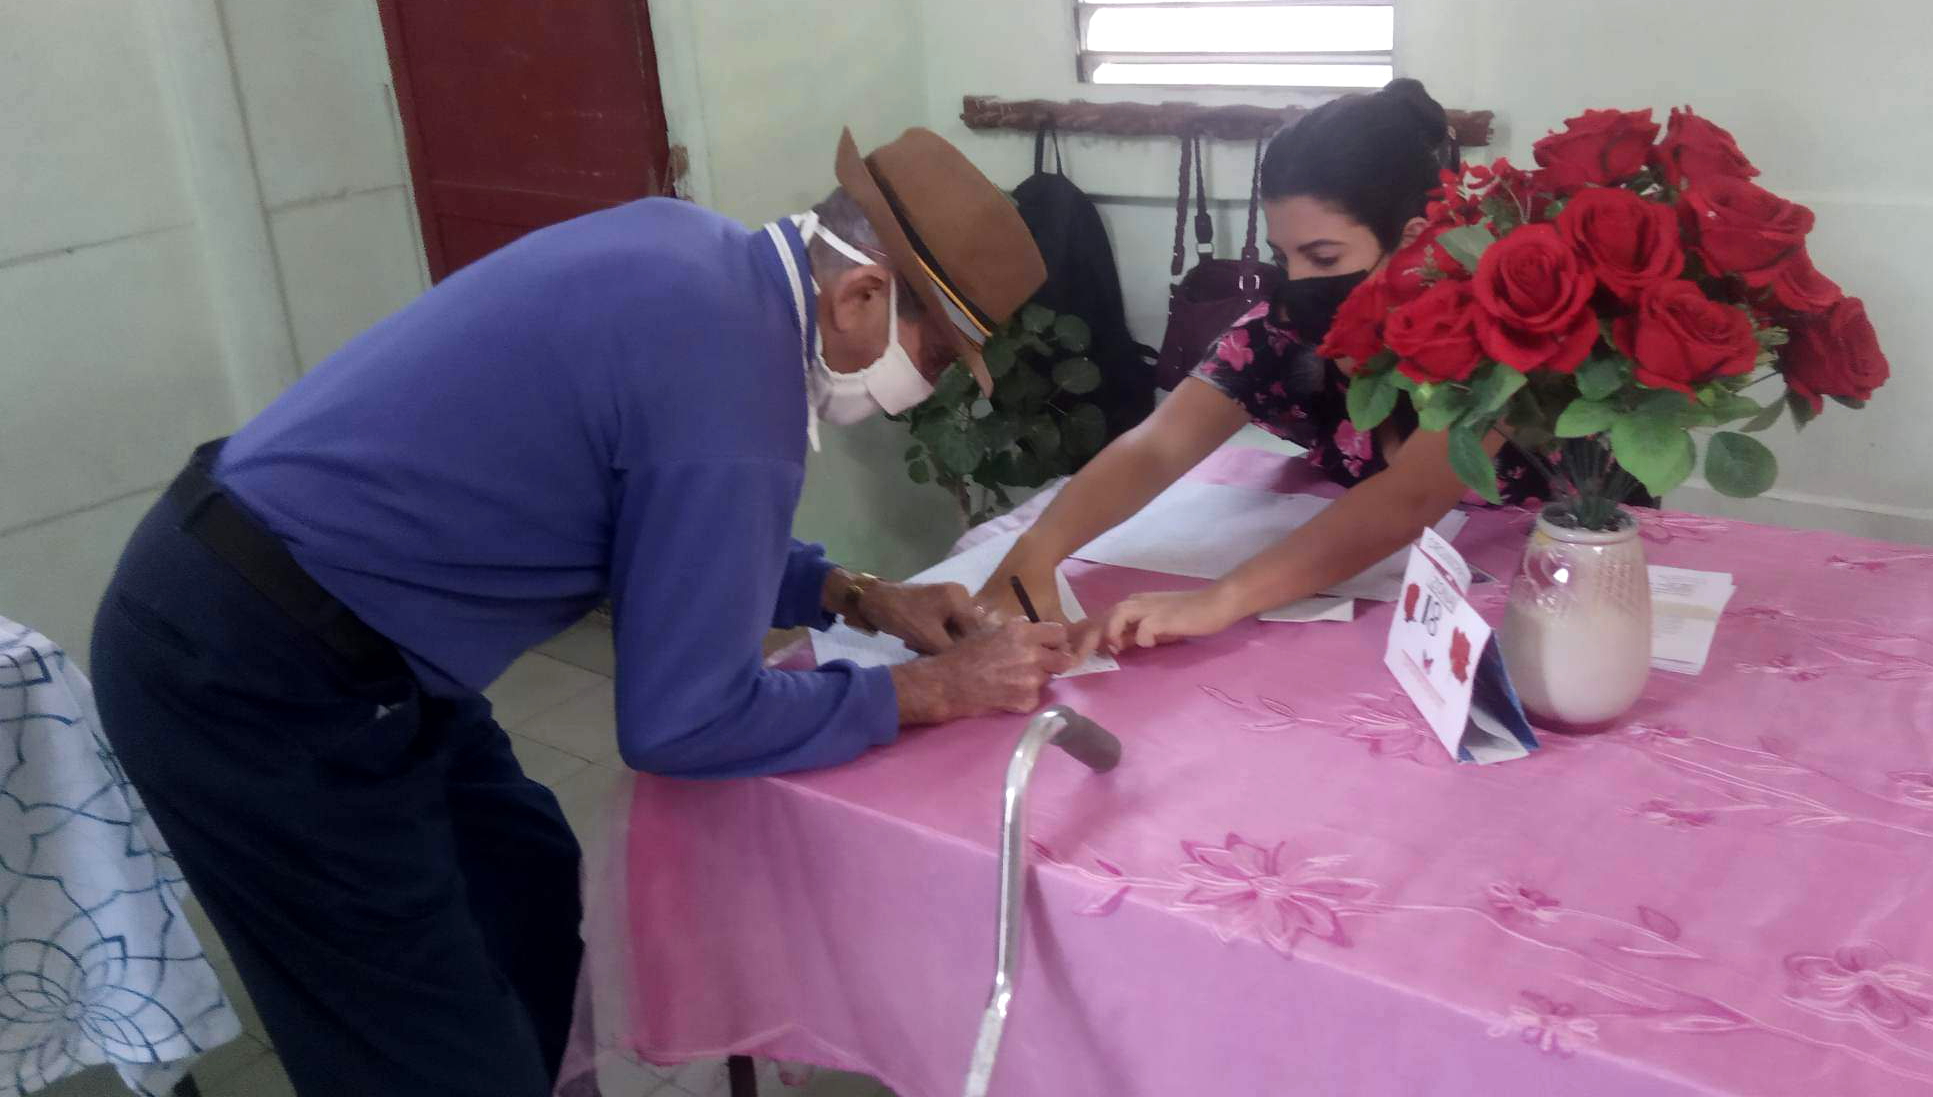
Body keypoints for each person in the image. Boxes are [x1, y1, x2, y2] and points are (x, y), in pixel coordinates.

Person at [89, 127, 1072, 1097]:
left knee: (529, 902)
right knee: (423, 1044)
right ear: (861, 293)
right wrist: (929, 690)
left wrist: (855, 592)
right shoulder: (737, 388)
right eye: (935, 357)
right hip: (246, 663)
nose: (923, 390)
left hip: (347, 630)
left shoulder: (690, 251)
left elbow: (664, 512)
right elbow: (683, 720)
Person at [983, 80, 1548, 650]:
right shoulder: (1283, 331)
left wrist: (1220, 599)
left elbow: (1411, 496)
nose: (1297, 281)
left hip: (1530, 595)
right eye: (1283, 256)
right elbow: (1157, 446)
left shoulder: (1490, 333)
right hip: (1356, 594)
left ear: (1413, 240)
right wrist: (1035, 552)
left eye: (1323, 256)